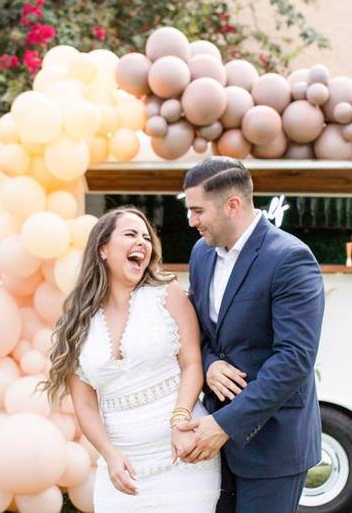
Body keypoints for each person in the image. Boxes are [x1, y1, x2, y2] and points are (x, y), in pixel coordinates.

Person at [43, 207, 221, 512]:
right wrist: (109, 454)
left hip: (183, 458)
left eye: (146, 237)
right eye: (130, 234)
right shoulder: (78, 321)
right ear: (103, 249)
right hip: (122, 468)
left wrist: (180, 419)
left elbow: (192, 363)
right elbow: (84, 404)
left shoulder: (167, 293)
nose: (142, 242)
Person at [176, 157, 325, 513]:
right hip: (213, 442)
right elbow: (199, 328)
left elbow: (294, 360)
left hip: (273, 444)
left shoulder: (290, 258)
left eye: (198, 211)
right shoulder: (201, 254)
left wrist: (225, 424)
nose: (191, 221)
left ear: (232, 205)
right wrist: (209, 364)